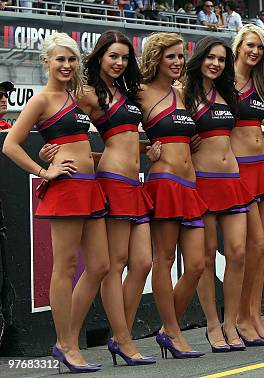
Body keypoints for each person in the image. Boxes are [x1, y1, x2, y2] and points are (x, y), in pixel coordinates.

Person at [39, 30, 157, 366]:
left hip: (134, 181)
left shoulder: (124, 91)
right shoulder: (86, 94)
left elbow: (117, 139)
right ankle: (96, 340)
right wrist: (53, 153)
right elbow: (61, 125)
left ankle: (97, 338)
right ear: (99, 58)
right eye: (112, 56)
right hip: (112, 182)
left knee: (142, 263)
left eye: (123, 57)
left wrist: (148, 147)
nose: (119, 63)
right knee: (112, 266)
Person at [2, 32, 109, 372]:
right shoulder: (41, 99)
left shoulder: (77, 97)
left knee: (101, 265)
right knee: (64, 267)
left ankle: (68, 338)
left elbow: (78, 143)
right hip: (65, 188)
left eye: (72, 59)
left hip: (89, 186)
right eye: (60, 59)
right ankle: (66, 343)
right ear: (45, 61)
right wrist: (43, 170)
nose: (66, 65)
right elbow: (10, 145)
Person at [184, 36, 254, 352]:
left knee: (239, 252)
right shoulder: (183, 93)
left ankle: (231, 322)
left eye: (222, 59)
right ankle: (213, 325)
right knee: (207, 256)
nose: (216, 64)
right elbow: (167, 131)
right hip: (203, 181)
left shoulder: (227, 93)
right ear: (200, 59)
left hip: (233, 180)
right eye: (211, 57)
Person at [140, 32, 207, 358]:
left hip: (190, 185)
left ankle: (169, 329)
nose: (179, 62)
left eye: (181, 56)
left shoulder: (183, 93)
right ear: (156, 59)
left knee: (196, 264)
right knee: (163, 260)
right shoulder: (140, 93)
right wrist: (145, 150)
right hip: (164, 182)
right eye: (171, 57)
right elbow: (116, 132)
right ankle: (174, 332)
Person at [231, 24, 264, 344]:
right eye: (250, 45)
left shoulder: (262, 85)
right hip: (239, 171)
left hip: (263, 168)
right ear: (237, 47)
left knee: (259, 247)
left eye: (261, 47)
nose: (255, 51)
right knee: (249, 247)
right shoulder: (223, 82)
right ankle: (239, 317)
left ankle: (254, 315)